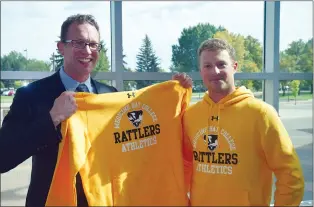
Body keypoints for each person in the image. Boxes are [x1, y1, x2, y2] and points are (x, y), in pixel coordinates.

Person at [0, 14, 192, 207]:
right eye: (78, 43)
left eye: (93, 45)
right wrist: (52, 118)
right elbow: (4, 157)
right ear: (61, 47)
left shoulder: (109, 95)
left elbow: (134, 145)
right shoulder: (31, 95)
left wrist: (172, 93)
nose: (87, 51)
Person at [182, 38, 304, 206]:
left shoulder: (261, 113)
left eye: (221, 64)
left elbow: (291, 174)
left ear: (235, 67)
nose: (215, 71)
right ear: (200, 70)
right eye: (208, 66)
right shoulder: (191, 116)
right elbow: (183, 166)